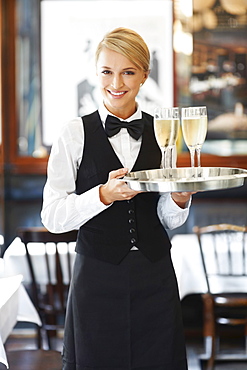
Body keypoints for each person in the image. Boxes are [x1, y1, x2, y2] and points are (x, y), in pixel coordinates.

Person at [41, 27, 193, 370]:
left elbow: (165, 218)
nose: (116, 83)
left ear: (144, 76)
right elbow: (52, 216)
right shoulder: (74, 133)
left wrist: (179, 200)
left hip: (154, 273)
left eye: (128, 72)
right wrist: (102, 196)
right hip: (97, 276)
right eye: (107, 71)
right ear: (96, 74)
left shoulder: (162, 130)